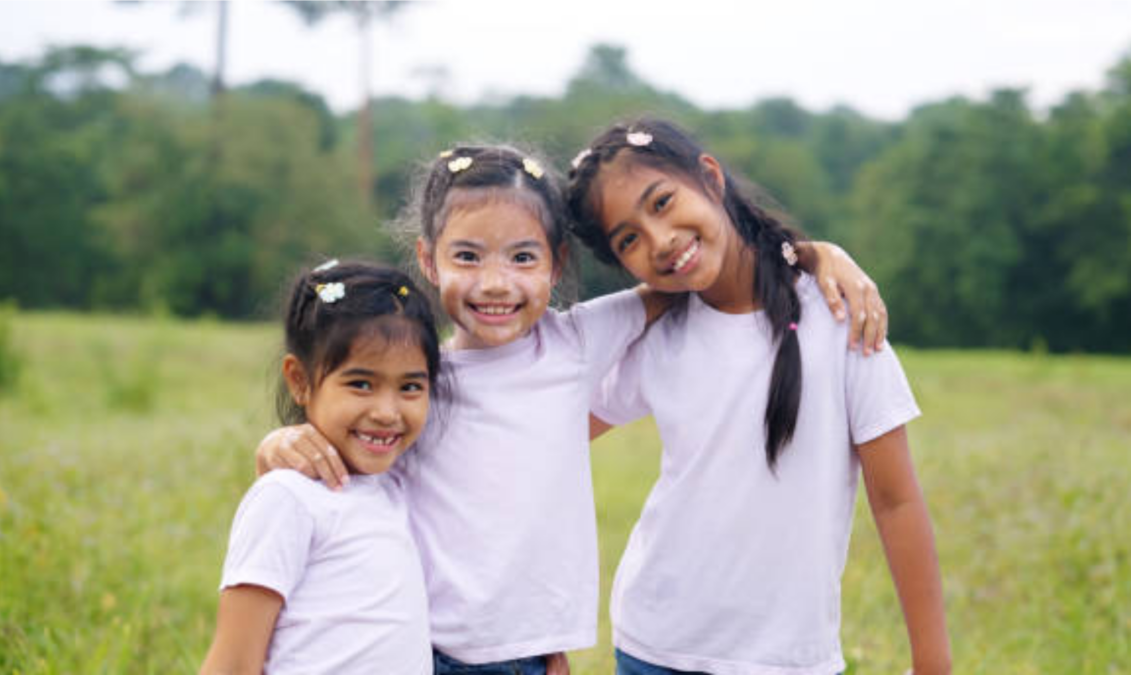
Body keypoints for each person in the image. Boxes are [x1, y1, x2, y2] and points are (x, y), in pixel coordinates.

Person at [254, 144, 888, 674]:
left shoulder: (576, 342)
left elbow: (683, 276)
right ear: (428, 259)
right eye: (467, 257)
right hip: (421, 650)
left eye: (522, 258)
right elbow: (349, 449)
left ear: (557, 265)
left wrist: (810, 253)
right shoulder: (419, 384)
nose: (496, 283)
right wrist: (279, 446)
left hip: (536, 658)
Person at [567, 118, 951, 675]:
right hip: (654, 646)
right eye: (629, 239)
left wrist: (932, 662)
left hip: (788, 658)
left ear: (710, 177)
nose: (661, 239)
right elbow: (553, 436)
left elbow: (896, 501)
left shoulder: (841, 314)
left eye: (663, 202)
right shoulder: (659, 333)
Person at [200, 261, 443, 675]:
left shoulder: (395, 487)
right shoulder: (287, 499)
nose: (387, 412)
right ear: (299, 381)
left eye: (410, 387)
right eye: (361, 384)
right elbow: (233, 663)